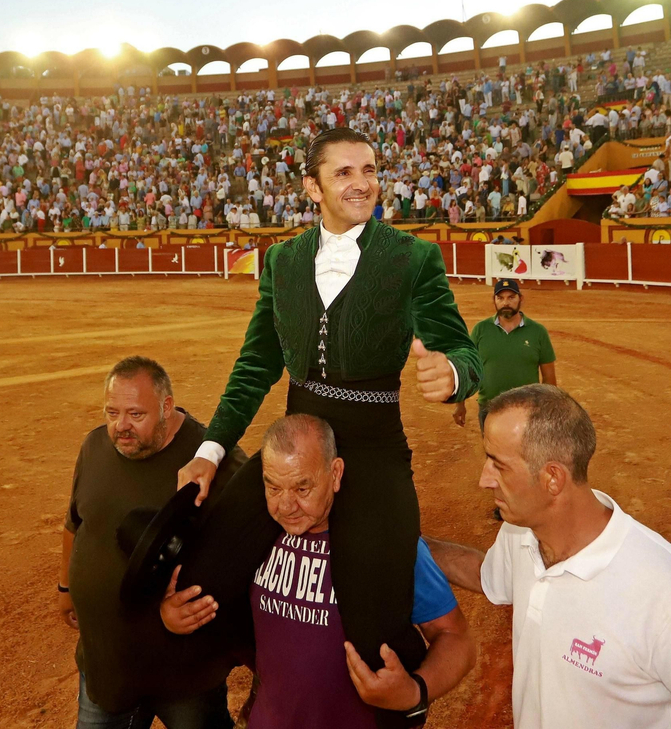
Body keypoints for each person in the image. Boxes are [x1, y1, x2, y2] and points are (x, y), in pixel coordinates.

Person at [176, 127, 483, 684]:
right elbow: (254, 365)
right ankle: (269, 674)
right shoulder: (283, 261)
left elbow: (460, 346)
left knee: (375, 621)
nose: (362, 183)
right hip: (297, 437)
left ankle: (399, 707)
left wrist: (456, 374)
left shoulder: (413, 257)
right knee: (207, 573)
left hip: (374, 445)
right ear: (311, 187)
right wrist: (211, 450)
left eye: (369, 170)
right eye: (344, 172)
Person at [425, 385, 671, 729]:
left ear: (552, 479)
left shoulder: (664, 591)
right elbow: (486, 575)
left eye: (498, 465)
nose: (484, 479)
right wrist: (405, 543)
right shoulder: (522, 532)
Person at [161, 414, 475, 728]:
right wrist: (175, 616)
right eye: (273, 488)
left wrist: (414, 692)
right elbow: (221, 614)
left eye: (302, 488)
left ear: (335, 473)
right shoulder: (254, 537)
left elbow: (454, 636)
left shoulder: (383, 544)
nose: (286, 506)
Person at [64, 357, 247, 729]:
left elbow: (249, 555)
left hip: (184, 677)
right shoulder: (94, 447)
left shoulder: (212, 460)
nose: (120, 427)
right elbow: (75, 524)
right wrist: (66, 587)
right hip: (107, 669)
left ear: (166, 407)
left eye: (135, 414)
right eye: (112, 412)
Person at [454, 278, 556, 431]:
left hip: (526, 409)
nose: (505, 303)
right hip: (490, 407)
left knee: (525, 454)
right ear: (494, 300)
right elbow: (467, 369)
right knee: (493, 453)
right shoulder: (481, 330)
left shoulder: (538, 331)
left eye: (511, 297)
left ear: (520, 299)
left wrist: (548, 408)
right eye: (500, 298)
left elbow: (549, 377)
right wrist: (459, 404)